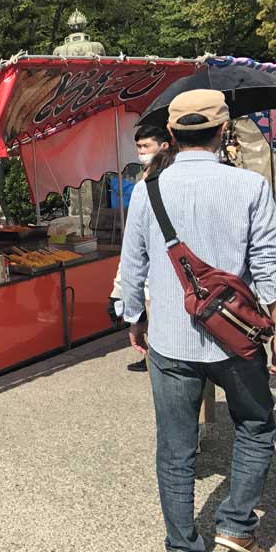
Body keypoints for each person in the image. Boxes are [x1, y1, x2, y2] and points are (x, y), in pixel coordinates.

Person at [120, 90, 276, 552]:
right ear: (223, 130)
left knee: (175, 448)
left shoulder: (148, 190)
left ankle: (182, 543)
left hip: (170, 338)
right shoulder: (251, 187)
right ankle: (236, 525)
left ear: (170, 134)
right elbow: (268, 267)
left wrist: (134, 317)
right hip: (236, 339)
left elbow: (133, 264)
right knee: (256, 425)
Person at [109, 125, 173, 372]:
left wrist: (130, 309)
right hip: (154, 279)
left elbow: (133, 253)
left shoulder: (150, 186)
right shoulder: (142, 182)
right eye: (138, 147)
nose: (141, 152)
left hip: (163, 277)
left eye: (146, 146)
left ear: (164, 146)